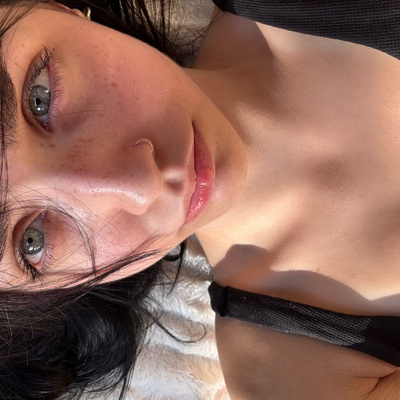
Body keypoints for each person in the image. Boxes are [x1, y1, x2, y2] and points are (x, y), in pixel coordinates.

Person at [1, 0, 400, 399]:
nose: (142, 186)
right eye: (32, 241)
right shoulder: (307, 383)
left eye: (40, 97)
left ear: (52, 7)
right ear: (46, 297)